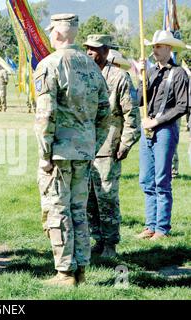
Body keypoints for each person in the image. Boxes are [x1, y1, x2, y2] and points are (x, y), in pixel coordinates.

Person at [35, 14, 110, 286]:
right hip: (83, 151)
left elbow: (46, 115)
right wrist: (92, 143)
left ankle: (65, 272)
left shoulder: (49, 65)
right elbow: (105, 112)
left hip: (59, 154)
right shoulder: (91, 67)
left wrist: (45, 155)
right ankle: (80, 270)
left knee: (58, 210)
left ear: (56, 34)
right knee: (79, 211)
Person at [84, 35, 141, 258]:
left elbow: (132, 115)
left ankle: (110, 244)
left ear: (106, 52)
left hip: (108, 148)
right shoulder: (85, 77)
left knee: (107, 198)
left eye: (94, 49)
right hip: (86, 148)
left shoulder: (119, 78)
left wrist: (125, 144)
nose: (89, 52)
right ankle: (97, 239)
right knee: (89, 200)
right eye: (87, 48)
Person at [137, 30, 189, 241]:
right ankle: (150, 225)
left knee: (161, 180)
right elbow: (139, 100)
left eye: (158, 46)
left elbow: (183, 106)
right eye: (153, 46)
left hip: (165, 129)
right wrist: (140, 77)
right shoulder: (148, 72)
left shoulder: (178, 73)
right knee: (146, 180)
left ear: (169, 48)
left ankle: (162, 228)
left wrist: (157, 121)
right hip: (146, 128)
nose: (154, 50)